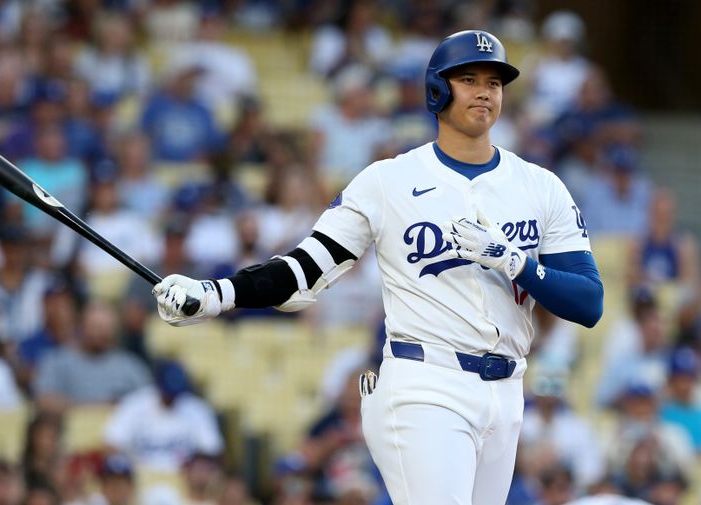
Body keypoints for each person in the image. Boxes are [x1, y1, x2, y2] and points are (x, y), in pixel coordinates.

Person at [152, 30, 603, 504]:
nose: (484, 91)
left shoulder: (541, 186)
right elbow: (305, 269)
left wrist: (516, 262)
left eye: (494, 81)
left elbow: (588, 302)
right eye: (468, 79)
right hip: (425, 383)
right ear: (437, 90)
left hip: (508, 389)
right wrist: (217, 294)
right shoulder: (389, 180)